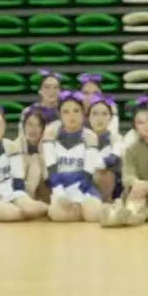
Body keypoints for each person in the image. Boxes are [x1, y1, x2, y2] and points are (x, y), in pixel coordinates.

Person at [42, 91, 102, 223]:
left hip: (83, 186)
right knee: (58, 215)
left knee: (93, 215)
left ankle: (103, 209)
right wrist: (60, 194)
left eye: (76, 111)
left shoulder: (90, 136)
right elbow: (52, 171)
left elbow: (88, 174)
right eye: (66, 112)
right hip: (61, 187)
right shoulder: (51, 135)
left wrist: (77, 196)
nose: (71, 116)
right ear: (60, 115)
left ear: (83, 114)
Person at [87, 95, 123, 202]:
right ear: (88, 117)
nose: (99, 118)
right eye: (95, 114)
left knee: (105, 174)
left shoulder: (116, 139)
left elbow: (112, 161)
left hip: (111, 191)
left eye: (104, 114)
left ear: (111, 118)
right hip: (83, 189)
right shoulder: (81, 138)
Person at [20, 109, 49, 204]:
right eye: (30, 124)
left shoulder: (48, 146)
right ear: (24, 127)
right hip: (20, 191)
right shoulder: (15, 147)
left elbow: (48, 177)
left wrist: (40, 157)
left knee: (36, 159)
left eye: (38, 125)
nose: (33, 129)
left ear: (43, 129)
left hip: (45, 190)